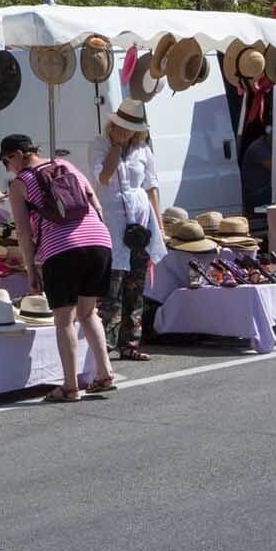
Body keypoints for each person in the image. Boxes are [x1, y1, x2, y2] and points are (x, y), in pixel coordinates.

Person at [4, 133, 115, 401]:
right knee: (89, 313)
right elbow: (95, 204)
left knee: (64, 319)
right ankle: (104, 373)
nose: (7, 167)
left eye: (6, 161)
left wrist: (32, 270)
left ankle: (70, 386)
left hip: (61, 249)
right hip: (99, 241)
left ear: (17, 155)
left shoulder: (20, 183)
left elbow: (23, 233)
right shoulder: (67, 165)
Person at [91, 100, 165, 361]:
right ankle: (106, 344)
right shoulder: (100, 144)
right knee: (112, 285)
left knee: (136, 282)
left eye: (131, 128)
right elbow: (103, 177)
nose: (126, 132)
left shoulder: (143, 149)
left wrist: (160, 225)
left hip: (141, 222)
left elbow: (151, 188)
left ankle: (130, 343)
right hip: (113, 222)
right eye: (122, 126)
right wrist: (116, 147)